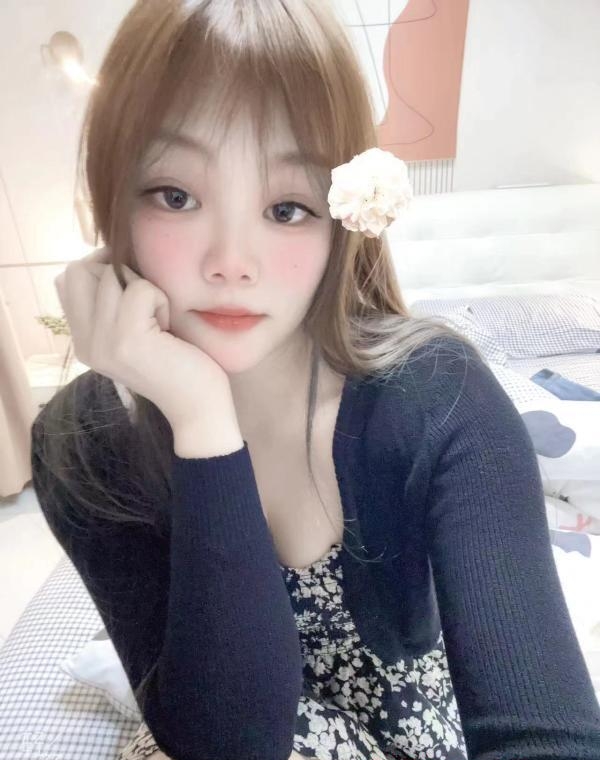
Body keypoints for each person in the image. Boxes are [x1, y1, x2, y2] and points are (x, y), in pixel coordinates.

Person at [30, 1, 600, 759]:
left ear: (340, 224)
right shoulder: (83, 442)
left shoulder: (439, 397)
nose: (232, 262)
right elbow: (225, 740)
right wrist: (202, 420)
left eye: (286, 207)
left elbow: (544, 734)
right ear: (114, 201)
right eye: (176, 195)